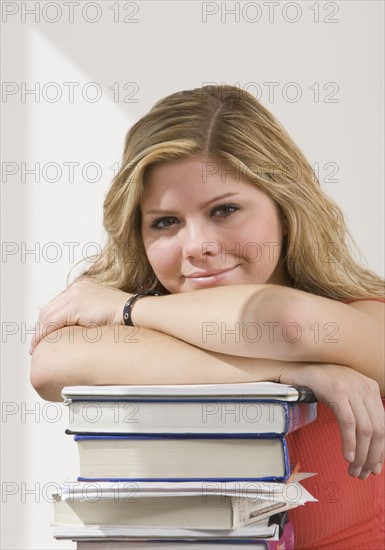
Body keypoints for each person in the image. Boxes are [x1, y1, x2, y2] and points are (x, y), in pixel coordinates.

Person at [29, 85, 384, 548]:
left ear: (284, 206)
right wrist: (292, 374)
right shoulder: (127, 325)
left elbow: (288, 323)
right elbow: (49, 365)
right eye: (165, 222)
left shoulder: (364, 317)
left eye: (225, 210)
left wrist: (128, 308)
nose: (198, 246)